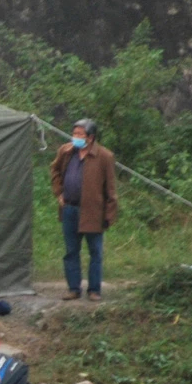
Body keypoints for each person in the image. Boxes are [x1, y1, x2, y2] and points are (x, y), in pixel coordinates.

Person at [50, 119, 117, 300]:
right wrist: (59, 193)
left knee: (95, 252)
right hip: (70, 209)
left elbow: (111, 189)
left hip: (93, 212)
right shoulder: (66, 152)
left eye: (80, 134)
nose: (76, 138)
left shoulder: (104, 157)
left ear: (91, 137)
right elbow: (54, 171)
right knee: (71, 251)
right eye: (75, 134)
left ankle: (94, 290)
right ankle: (73, 288)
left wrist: (109, 215)